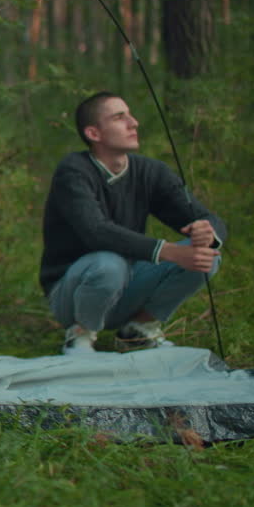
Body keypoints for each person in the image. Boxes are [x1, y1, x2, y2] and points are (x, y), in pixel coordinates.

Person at [39, 91, 225, 355]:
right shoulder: (73, 171)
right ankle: (79, 335)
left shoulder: (151, 172)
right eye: (119, 117)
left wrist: (206, 232)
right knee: (108, 263)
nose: (133, 122)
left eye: (130, 115)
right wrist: (170, 251)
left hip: (126, 285)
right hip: (72, 291)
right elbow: (96, 232)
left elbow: (209, 218)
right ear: (94, 133)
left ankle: (138, 331)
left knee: (207, 258)